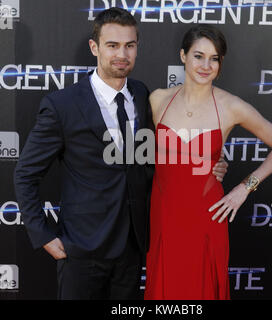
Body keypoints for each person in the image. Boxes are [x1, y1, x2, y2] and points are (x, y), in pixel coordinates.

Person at [14, 9, 227, 300]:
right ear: (95, 47)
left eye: (129, 45)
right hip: (82, 250)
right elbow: (26, 174)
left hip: (132, 248)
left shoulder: (142, 95)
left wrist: (212, 162)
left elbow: (160, 153)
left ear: (137, 47)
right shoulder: (62, 104)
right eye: (112, 45)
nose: (121, 53)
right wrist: (43, 235)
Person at [144, 25, 272, 300]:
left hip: (206, 215)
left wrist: (244, 188)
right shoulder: (157, 99)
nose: (206, 65)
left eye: (214, 58)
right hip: (164, 216)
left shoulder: (231, 106)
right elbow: (142, 154)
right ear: (182, 56)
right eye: (198, 56)